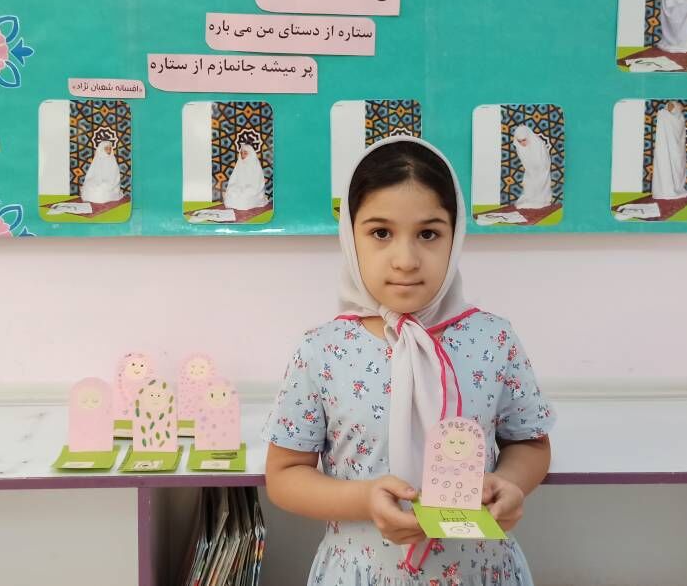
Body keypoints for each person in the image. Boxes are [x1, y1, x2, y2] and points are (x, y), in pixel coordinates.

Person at [263, 137, 554, 585]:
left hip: (479, 571)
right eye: (381, 233)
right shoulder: (322, 350)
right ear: (351, 236)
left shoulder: (493, 339)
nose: (405, 260)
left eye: (428, 234)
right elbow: (285, 474)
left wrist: (510, 483)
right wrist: (365, 499)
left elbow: (529, 443)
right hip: (361, 573)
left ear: (455, 236)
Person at [652, 102, 687, 200]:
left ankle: (674, 187)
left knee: (676, 165)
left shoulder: (675, 116)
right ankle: (665, 188)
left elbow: (678, 130)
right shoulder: (666, 114)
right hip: (666, 147)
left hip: (675, 148)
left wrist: (664, 114)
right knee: (666, 164)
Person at [513, 125, 553, 210]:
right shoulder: (519, 146)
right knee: (527, 182)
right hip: (530, 170)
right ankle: (531, 199)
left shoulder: (537, 143)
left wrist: (536, 171)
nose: (522, 143)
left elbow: (543, 162)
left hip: (542, 169)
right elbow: (525, 162)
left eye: (524, 140)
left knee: (539, 183)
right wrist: (531, 171)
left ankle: (542, 200)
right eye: (519, 141)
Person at [223, 142, 268, 210]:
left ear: (250, 153)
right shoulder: (239, 164)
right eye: (241, 153)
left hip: (252, 187)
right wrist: (234, 186)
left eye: (245, 153)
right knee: (232, 191)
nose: (242, 155)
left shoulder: (255, 164)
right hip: (240, 186)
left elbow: (257, 182)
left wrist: (246, 188)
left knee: (245, 194)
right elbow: (234, 179)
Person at [80, 140, 123, 204]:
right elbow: (91, 173)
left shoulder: (112, 160)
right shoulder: (97, 159)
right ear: (102, 149)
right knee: (89, 184)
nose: (108, 150)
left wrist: (105, 181)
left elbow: (115, 176)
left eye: (110, 148)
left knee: (102, 187)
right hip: (98, 180)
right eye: (106, 148)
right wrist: (95, 180)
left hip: (110, 182)